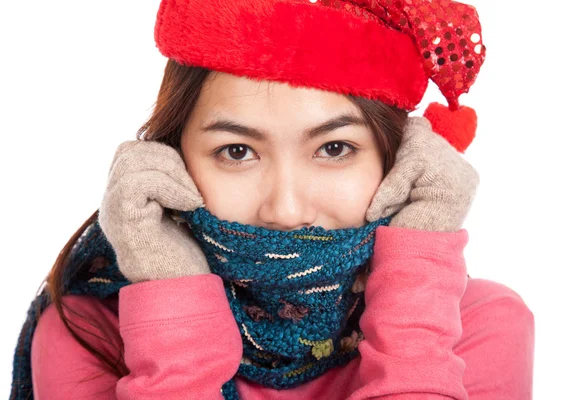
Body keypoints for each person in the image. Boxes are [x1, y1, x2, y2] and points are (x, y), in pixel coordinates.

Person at [10, 0, 535, 399]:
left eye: (334, 148)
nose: (286, 210)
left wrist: (415, 313)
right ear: (171, 164)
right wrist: (172, 304)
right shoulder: (89, 335)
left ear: (399, 163)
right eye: (236, 151)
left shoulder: (482, 327)